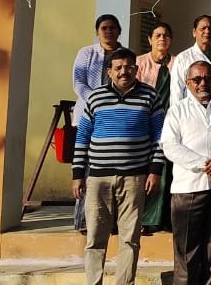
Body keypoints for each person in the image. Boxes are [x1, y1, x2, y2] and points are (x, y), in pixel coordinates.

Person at [71, 48, 165, 285]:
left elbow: (160, 137)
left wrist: (155, 171)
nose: (124, 72)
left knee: (130, 239)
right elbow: (82, 136)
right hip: (98, 179)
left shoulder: (150, 97)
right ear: (109, 71)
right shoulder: (96, 98)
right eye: (119, 67)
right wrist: (78, 174)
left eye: (129, 67)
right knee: (95, 238)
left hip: (134, 178)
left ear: (136, 69)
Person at [160, 61, 211, 285]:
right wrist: (203, 163)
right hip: (188, 187)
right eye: (197, 79)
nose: (202, 83)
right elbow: (170, 146)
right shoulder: (177, 110)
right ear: (187, 82)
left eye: (208, 78)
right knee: (187, 249)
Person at [71, 14, 124, 231]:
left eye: (112, 27)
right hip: (88, 116)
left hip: (115, 120)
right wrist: (97, 100)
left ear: (119, 31)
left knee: (112, 170)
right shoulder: (86, 53)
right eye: (104, 28)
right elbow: (78, 83)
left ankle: (110, 222)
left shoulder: (125, 55)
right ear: (97, 32)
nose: (108, 31)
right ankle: (84, 221)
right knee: (86, 170)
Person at [137, 21, 176, 234]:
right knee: (146, 171)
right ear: (150, 39)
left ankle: (164, 219)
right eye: (158, 35)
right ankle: (144, 219)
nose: (162, 39)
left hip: (170, 125)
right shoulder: (139, 63)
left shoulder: (178, 63)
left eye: (166, 35)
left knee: (167, 172)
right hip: (145, 123)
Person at [171, 15, 211, 102]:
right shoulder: (183, 58)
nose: (207, 31)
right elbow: (176, 92)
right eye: (203, 28)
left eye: (210, 28)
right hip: (192, 109)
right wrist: (177, 110)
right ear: (194, 32)